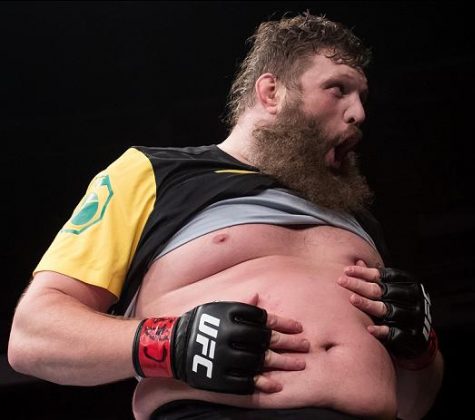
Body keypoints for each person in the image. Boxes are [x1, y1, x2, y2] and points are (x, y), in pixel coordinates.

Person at [8, 11, 443, 420]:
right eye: (338, 89)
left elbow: (412, 404)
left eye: (362, 96)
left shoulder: (357, 217)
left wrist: (421, 350)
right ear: (272, 92)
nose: (359, 113)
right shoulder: (154, 173)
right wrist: (170, 343)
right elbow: (34, 336)